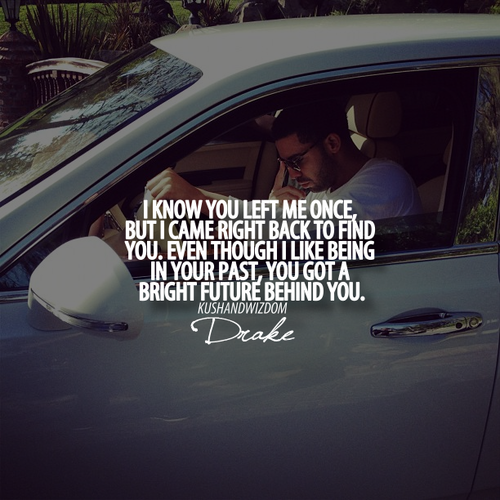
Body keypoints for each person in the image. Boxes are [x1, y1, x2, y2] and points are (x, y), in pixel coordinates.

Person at [146, 100, 422, 221]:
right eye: (287, 164)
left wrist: (199, 199)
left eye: (297, 161)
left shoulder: (385, 183)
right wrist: (273, 208)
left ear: (332, 144)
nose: (294, 173)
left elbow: (303, 227)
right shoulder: (327, 186)